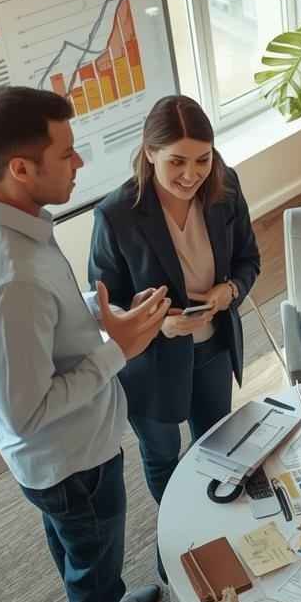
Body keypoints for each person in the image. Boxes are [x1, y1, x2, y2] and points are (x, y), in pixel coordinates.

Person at [0, 85, 204, 602]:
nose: (80, 161)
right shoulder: (11, 280)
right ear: (20, 167)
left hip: (62, 452)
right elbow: (29, 409)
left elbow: (47, 327)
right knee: (90, 569)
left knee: (81, 557)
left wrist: (101, 315)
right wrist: (119, 350)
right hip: (71, 460)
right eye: (66, 153)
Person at [88, 95, 261, 519]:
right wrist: (157, 325)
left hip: (213, 347)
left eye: (203, 159)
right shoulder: (116, 215)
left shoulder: (225, 187)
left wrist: (229, 291)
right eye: (177, 161)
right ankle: (179, 528)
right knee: (163, 454)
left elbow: (248, 259)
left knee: (216, 444)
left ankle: (213, 522)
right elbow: (106, 305)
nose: (191, 175)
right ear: (150, 153)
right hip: (152, 361)